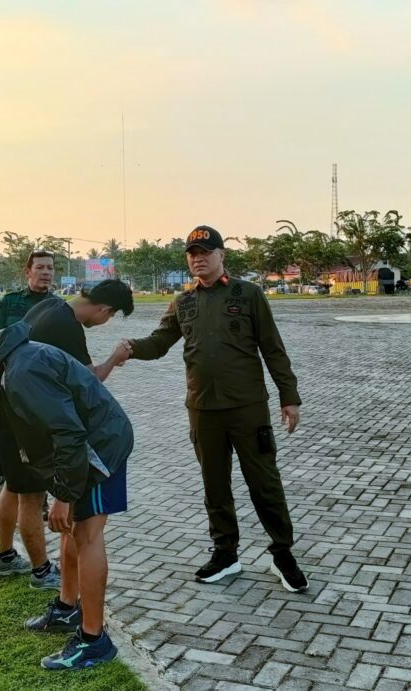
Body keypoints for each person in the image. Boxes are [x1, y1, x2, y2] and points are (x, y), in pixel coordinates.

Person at [112, 225, 309, 592]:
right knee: (214, 485)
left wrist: (289, 396)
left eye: (205, 252)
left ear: (222, 255)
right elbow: (159, 342)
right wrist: (130, 348)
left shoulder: (248, 295)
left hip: (247, 408)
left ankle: (282, 553)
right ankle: (225, 553)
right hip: (203, 410)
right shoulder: (183, 302)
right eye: (193, 254)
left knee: (264, 483)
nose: (198, 259)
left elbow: (273, 348)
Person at [0, 319, 132, 670]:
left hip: (99, 448)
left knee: (87, 535)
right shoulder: (5, 370)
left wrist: (64, 496)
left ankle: (94, 640)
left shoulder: (23, 371)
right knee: (73, 531)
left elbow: (69, 432)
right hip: (80, 453)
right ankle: (68, 609)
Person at [0, 249, 55, 580]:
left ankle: (6, 557)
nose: (46, 273)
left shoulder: (58, 307)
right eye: (40, 267)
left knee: (16, 485)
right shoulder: (9, 304)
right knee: (25, 489)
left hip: (42, 402)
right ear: (28, 271)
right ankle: (39, 570)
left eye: (50, 268)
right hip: (12, 402)